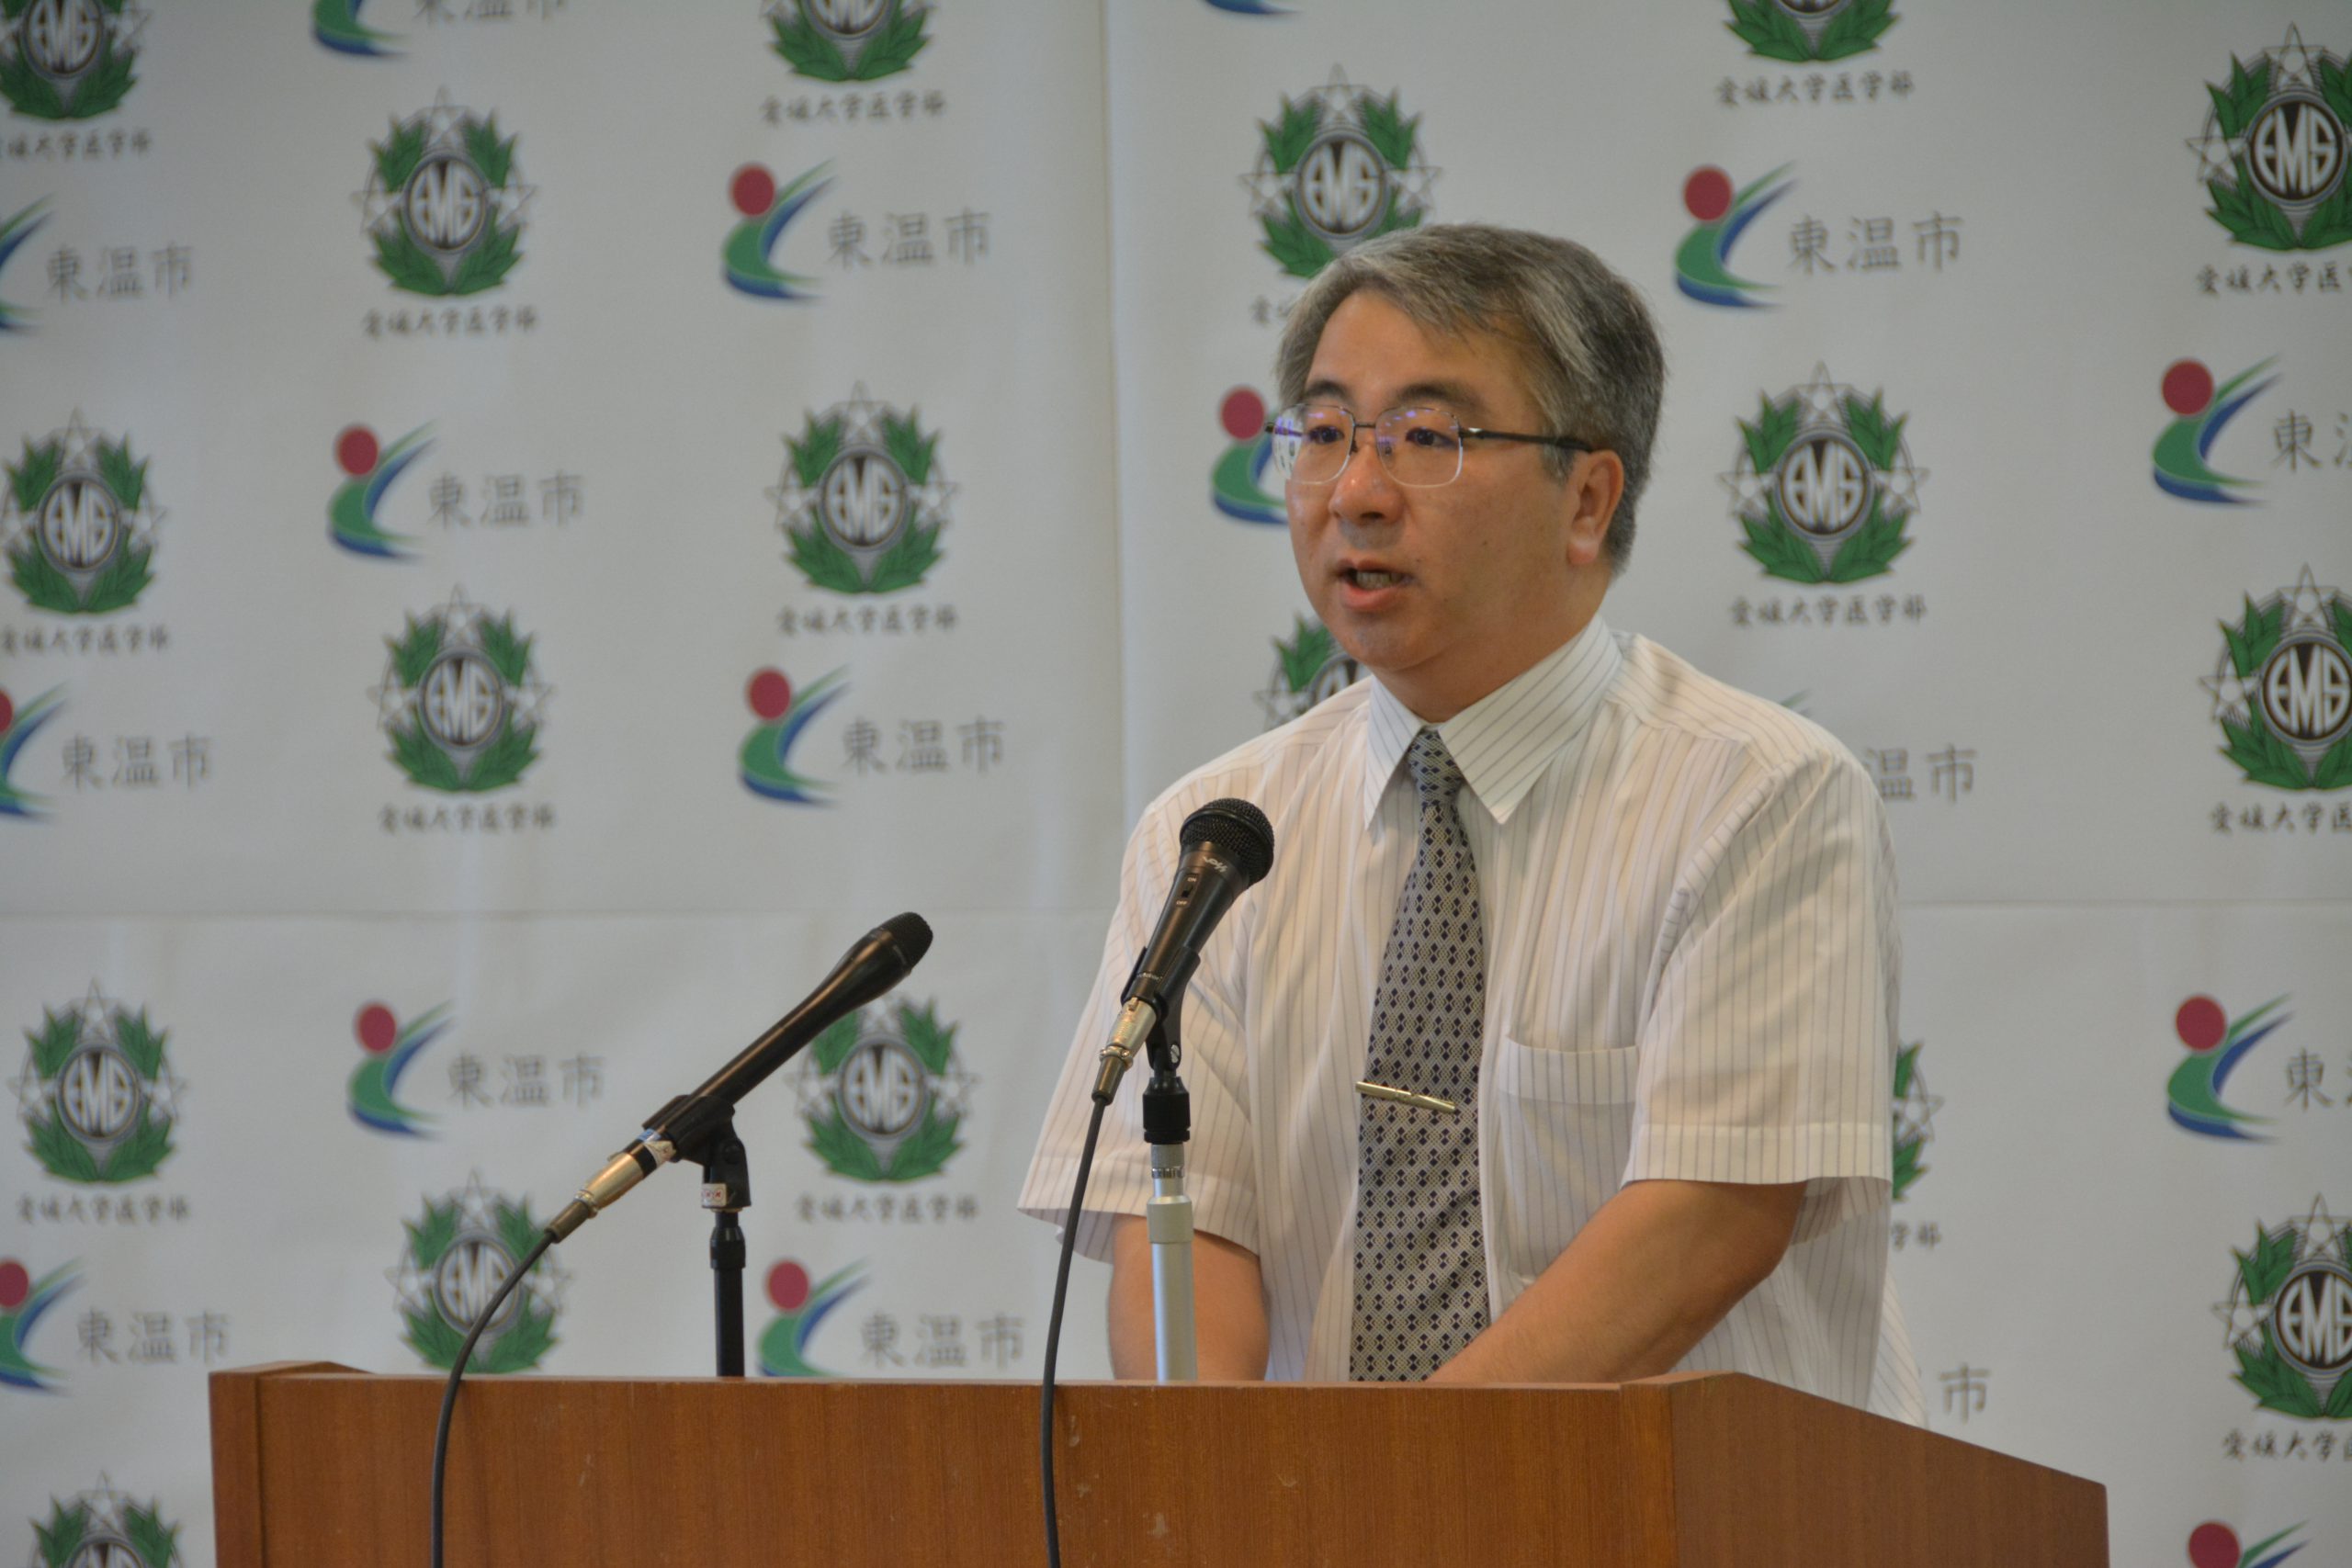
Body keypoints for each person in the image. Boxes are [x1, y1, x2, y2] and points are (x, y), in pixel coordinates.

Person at [1018, 223, 1918, 1415]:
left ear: (1587, 499)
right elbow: (1182, 1228)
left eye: (1428, 439)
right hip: (1316, 1511)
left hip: (1692, 1507)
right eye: (1325, 433)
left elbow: (1709, 1217)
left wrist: (1403, 1490)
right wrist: (1225, 1486)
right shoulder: (1216, 837)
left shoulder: (1760, 798)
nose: (1356, 494)